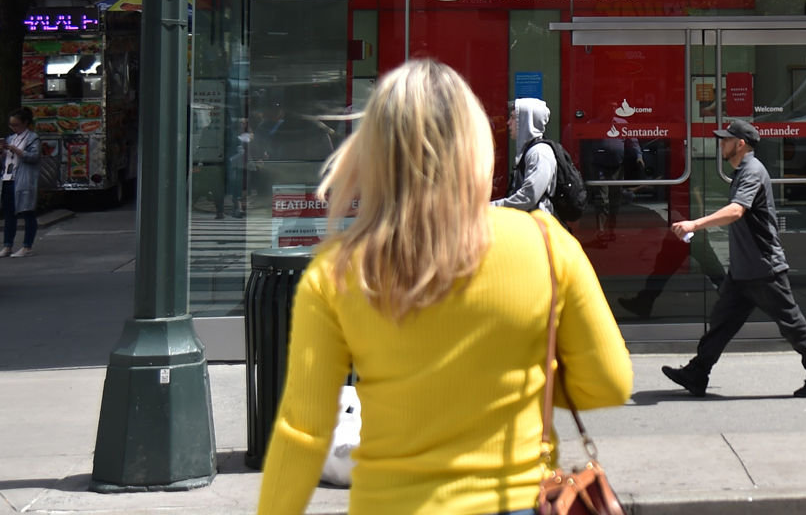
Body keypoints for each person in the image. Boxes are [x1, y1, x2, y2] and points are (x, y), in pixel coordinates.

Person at [256, 59, 632, 515]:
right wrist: (519, 373)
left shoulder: (336, 271)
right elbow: (609, 382)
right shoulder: (546, 243)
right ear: (474, 147)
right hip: (514, 500)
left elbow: (302, 432)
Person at [660, 120, 806, 399]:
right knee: (721, 322)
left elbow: (736, 211)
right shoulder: (743, 171)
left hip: (763, 267)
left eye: (725, 140)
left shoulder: (752, 171)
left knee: (791, 322)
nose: (721, 144)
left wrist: (694, 224)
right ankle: (697, 372)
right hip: (744, 269)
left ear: (740, 144)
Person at [492, 96, 555, 215]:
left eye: (513, 117)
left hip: (537, 223)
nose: (508, 123)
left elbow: (528, 197)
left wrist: (493, 207)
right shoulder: (529, 150)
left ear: (526, 120)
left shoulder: (539, 153)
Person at [0, 107, 42, 258]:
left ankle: (27, 246)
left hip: (23, 179)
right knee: (9, 214)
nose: (13, 128)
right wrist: (1, 151)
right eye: (11, 125)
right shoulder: (10, 138)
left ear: (25, 123)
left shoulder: (32, 138)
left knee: (27, 212)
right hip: (8, 177)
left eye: (16, 125)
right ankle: (7, 245)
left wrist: (16, 150)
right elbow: (4, 159)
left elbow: (34, 156)